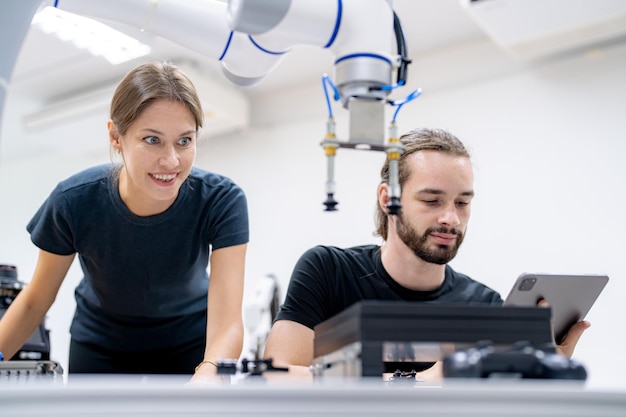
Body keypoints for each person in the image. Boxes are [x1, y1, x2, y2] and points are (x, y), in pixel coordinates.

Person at [263, 127, 589, 376]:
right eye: (432, 201)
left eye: (462, 203)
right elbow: (273, 378)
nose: (451, 218)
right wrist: (421, 381)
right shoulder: (328, 271)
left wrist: (543, 375)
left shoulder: (486, 306)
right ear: (386, 198)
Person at [0, 61, 249, 378]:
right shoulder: (73, 201)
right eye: (152, 139)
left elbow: (227, 323)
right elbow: (35, 301)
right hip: (101, 343)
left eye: (184, 140)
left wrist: (209, 373)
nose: (171, 160)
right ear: (116, 137)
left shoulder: (221, 200)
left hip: (189, 342)